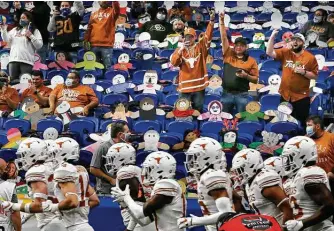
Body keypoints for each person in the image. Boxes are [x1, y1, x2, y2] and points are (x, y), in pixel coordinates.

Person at [111, 151, 186, 231]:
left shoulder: (166, 184)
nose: (145, 172)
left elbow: (139, 213)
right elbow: (143, 221)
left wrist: (126, 198)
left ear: (160, 170)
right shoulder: (161, 188)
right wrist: (126, 205)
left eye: (148, 169)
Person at [4, 138, 67, 231]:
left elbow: (39, 205)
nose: (21, 159)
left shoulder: (35, 172)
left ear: (33, 154)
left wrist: (12, 206)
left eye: (23, 155)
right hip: (60, 219)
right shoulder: (52, 166)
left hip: (50, 223)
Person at [177, 137, 234, 230]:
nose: (190, 161)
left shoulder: (212, 176)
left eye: (194, 157)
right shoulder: (208, 175)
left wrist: (193, 221)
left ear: (206, 157)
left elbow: (226, 213)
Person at [266, 31, 318, 128]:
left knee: (300, 125)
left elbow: (314, 76)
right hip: (285, 96)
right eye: (293, 39)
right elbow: (269, 52)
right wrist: (272, 36)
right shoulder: (286, 52)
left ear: (303, 43)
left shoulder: (310, 58)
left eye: (298, 40)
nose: (295, 42)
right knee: (284, 123)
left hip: (301, 98)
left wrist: (304, 72)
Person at [281, 136, 334, 231]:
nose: (287, 162)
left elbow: (329, 206)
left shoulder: (309, 172)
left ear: (303, 155)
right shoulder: (293, 178)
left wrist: (302, 224)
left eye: (291, 157)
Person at [231, 149, 293, 225]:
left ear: (251, 166)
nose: (238, 175)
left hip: (277, 226)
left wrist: (284, 228)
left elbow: (287, 208)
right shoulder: (249, 184)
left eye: (240, 170)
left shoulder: (263, 179)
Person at [170, 10, 215, 112]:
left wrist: (211, 21)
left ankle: (197, 128)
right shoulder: (180, 49)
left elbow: (208, 36)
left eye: (191, 37)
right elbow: (174, 63)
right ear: (183, 37)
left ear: (195, 37)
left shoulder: (200, 47)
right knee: (183, 110)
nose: (189, 39)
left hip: (199, 85)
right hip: (185, 86)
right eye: (187, 37)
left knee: (198, 110)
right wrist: (181, 49)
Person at [105, 143, 155, 231]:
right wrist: (130, 228)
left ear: (121, 158)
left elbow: (136, 202)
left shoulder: (125, 173)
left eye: (112, 159)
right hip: (143, 220)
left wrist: (131, 228)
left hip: (142, 222)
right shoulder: (134, 170)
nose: (110, 162)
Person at [219, 12, 259, 114]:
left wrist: (246, 76)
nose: (239, 47)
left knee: (240, 119)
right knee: (224, 119)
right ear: (234, 46)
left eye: (242, 45)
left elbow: (255, 80)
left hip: (242, 95)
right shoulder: (228, 54)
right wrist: (222, 21)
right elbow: (223, 37)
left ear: (246, 47)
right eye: (237, 45)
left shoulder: (251, 61)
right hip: (226, 93)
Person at [0, 11, 43, 82]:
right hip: (13, 60)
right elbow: (6, 39)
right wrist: (3, 30)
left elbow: (39, 45)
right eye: (20, 18)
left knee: (26, 83)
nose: (21, 20)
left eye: (23, 18)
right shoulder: (15, 30)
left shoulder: (35, 31)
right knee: (13, 82)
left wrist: (31, 36)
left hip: (27, 61)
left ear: (29, 20)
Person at [90, 121, 130, 194]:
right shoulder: (103, 147)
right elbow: (93, 169)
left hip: (124, 190)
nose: (129, 134)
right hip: (106, 191)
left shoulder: (127, 147)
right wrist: (110, 179)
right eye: (127, 132)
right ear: (120, 134)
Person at [84, 1, 120, 70]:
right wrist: (86, 40)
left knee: (108, 68)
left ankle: (108, 81)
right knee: (94, 68)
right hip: (93, 45)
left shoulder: (112, 12)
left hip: (107, 46)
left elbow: (117, 10)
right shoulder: (93, 14)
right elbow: (89, 29)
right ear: (98, 2)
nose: (103, 1)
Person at [0, 158, 21, 231]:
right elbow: (15, 214)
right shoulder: (9, 187)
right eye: (7, 168)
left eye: (13, 168)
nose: (9, 170)